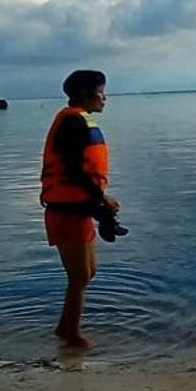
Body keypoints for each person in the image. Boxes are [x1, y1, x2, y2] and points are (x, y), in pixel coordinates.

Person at [39, 69, 124, 350]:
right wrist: (101, 198)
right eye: (101, 91)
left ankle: (64, 327)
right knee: (79, 276)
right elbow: (75, 171)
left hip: (79, 207)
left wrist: (99, 206)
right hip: (65, 210)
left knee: (89, 272)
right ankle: (72, 337)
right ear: (88, 94)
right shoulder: (72, 123)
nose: (105, 98)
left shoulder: (79, 120)